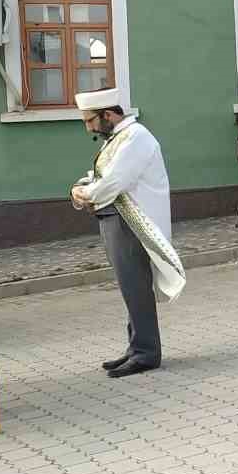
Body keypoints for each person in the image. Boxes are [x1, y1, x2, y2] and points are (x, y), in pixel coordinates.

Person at [69, 89, 185, 378]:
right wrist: (83, 187)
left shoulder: (136, 137)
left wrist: (85, 193)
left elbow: (115, 181)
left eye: (90, 121)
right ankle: (136, 347)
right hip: (115, 217)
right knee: (129, 285)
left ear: (108, 114)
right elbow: (101, 175)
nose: (89, 127)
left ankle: (146, 353)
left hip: (131, 221)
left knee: (135, 285)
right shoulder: (119, 138)